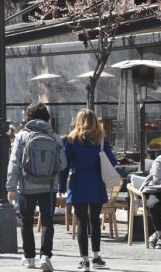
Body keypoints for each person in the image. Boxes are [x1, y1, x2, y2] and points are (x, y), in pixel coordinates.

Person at [7, 102, 66, 272]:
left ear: (29, 116)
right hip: (48, 187)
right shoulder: (55, 137)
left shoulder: (22, 136)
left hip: (27, 186)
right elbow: (63, 164)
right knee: (48, 221)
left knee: (26, 222)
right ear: (46, 117)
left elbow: (14, 162)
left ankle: (29, 257)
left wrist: (11, 186)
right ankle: (45, 256)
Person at [60, 109, 116, 271]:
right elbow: (112, 162)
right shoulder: (101, 140)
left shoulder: (70, 140)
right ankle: (96, 257)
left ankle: (84, 260)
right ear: (95, 121)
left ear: (78, 121)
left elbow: (64, 166)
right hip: (96, 182)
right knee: (95, 222)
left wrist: (62, 186)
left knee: (81, 221)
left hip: (78, 183)